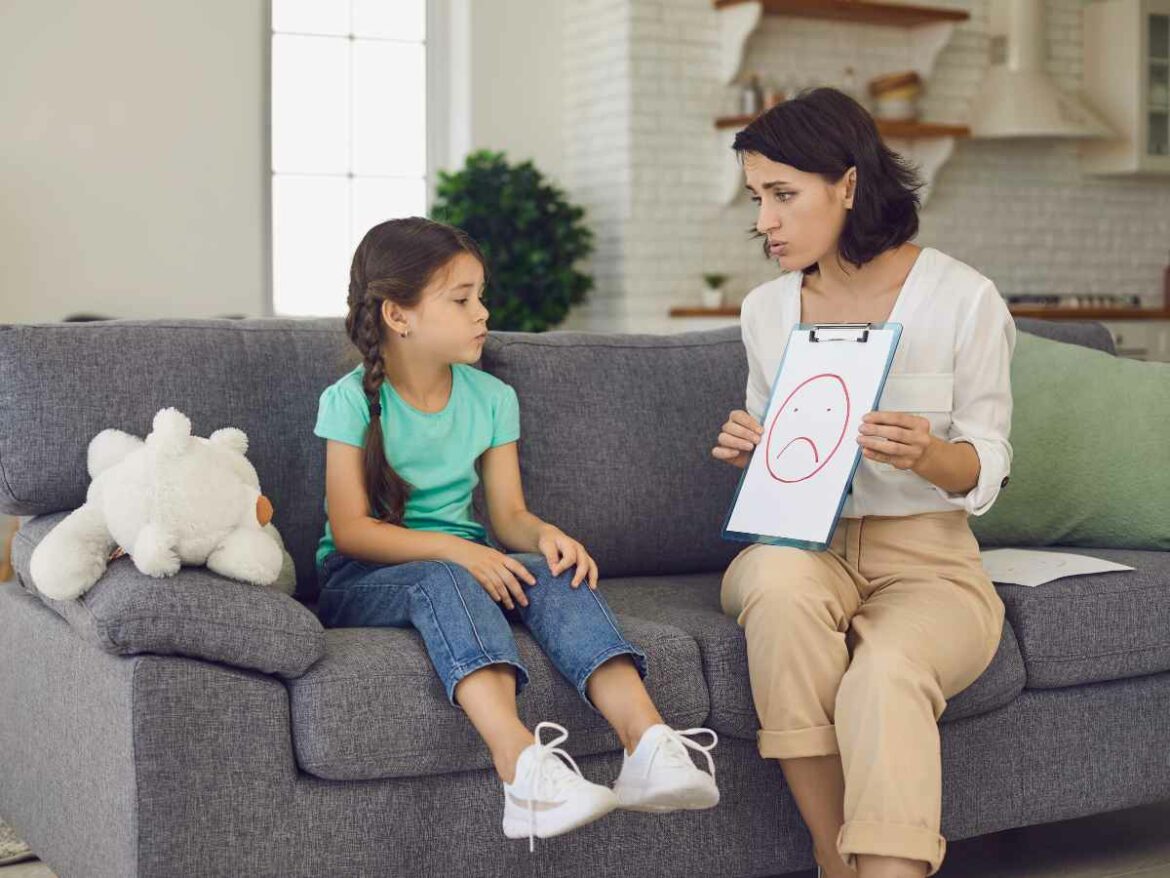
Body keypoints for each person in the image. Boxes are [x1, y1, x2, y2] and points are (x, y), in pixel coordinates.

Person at [313, 217, 719, 852]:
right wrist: (459, 550)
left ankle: (650, 746)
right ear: (399, 315)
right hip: (362, 578)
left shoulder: (493, 397)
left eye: (481, 294)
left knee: (549, 569)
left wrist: (545, 535)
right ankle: (522, 771)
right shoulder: (349, 401)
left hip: (471, 563)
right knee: (445, 575)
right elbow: (352, 531)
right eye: (462, 298)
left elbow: (508, 518)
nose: (484, 312)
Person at [713, 88, 1013, 878]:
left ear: (847, 184)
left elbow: (987, 459)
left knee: (883, 674)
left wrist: (928, 455)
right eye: (757, 199)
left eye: (784, 195)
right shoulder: (766, 311)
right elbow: (783, 449)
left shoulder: (962, 298)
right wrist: (757, 449)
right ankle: (829, 850)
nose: (765, 221)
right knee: (774, 586)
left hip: (931, 562)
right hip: (803, 545)